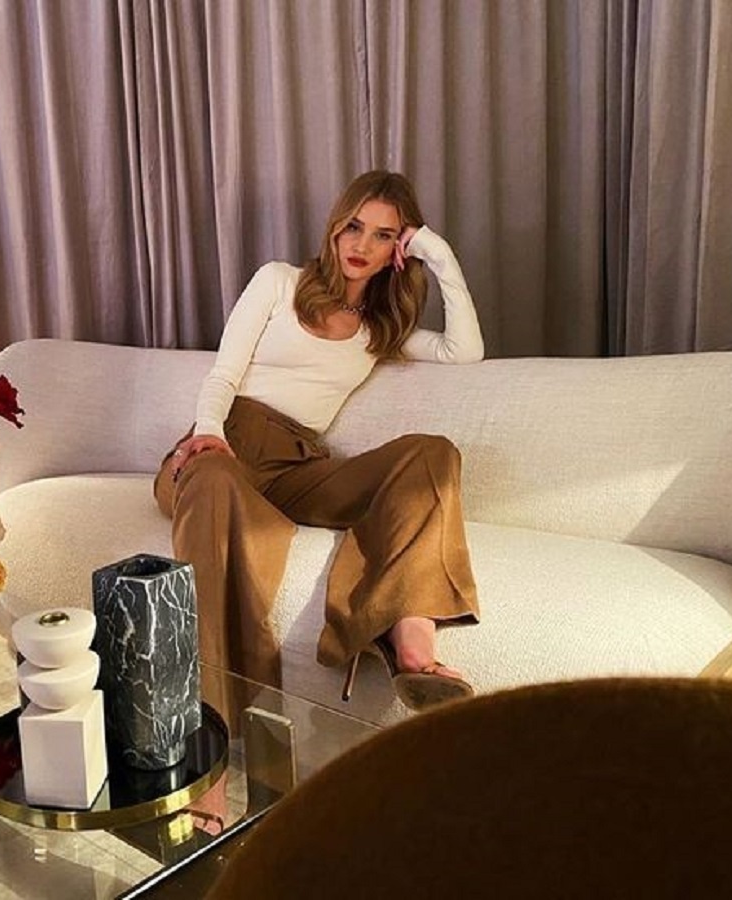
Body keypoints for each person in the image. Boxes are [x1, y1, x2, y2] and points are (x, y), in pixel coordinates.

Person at [153, 170, 484, 711]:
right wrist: (208, 431)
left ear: (398, 251)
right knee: (212, 480)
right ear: (335, 227)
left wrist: (438, 254)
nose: (362, 245)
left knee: (433, 453)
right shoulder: (278, 282)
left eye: (383, 235)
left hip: (297, 468)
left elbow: (464, 351)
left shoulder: (381, 328)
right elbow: (223, 376)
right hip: (224, 448)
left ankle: (410, 635)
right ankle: (213, 715)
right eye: (354, 226)